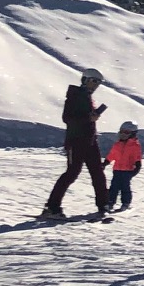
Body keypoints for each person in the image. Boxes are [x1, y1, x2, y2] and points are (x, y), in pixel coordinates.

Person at [40, 67, 109, 221]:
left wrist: (91, 117)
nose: (96, 85)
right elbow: (67, 118)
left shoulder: (87, 97)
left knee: (97, 172)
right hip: (76, 140)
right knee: (72, 173)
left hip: (90, 141)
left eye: (98, 82)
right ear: (85, 80)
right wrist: (88, 118)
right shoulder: (75, 95)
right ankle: (51, 207)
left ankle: (104, 205)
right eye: (93, 81)